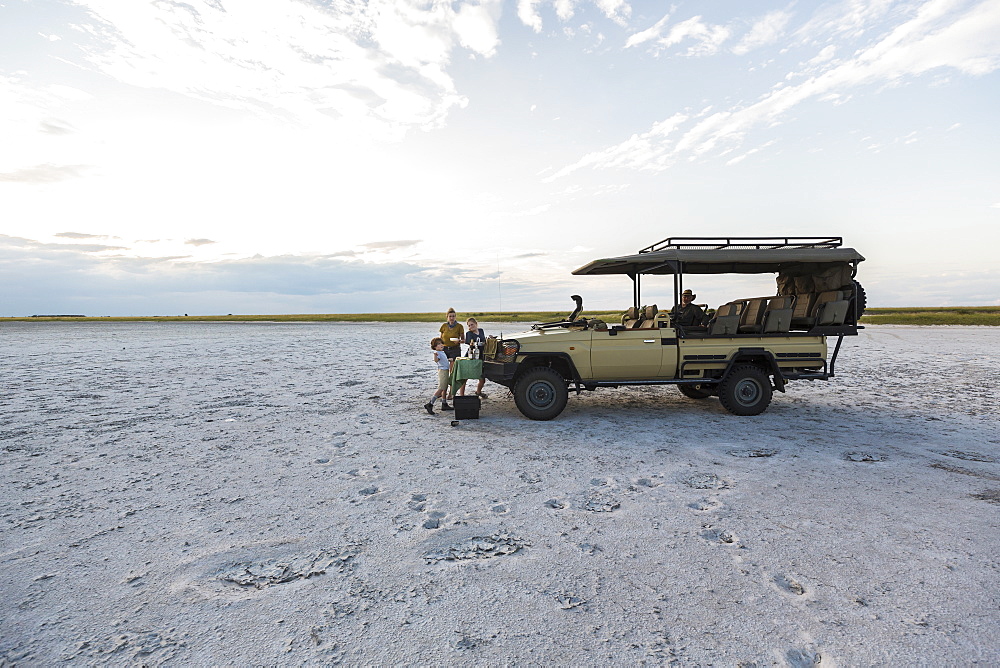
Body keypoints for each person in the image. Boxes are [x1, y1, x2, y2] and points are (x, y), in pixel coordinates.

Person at [457, 317, 488, 399]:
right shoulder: (469, 333)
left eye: (472, 325)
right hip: (471, 355)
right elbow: (469, 343)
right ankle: (461, 395)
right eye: (469, 325)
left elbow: (484, 341)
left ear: (476, 324)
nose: (471, 327)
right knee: (465, 376)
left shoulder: (481, 331)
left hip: (481, 356)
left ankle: (478, 392)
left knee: (482, 378)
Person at [438, 308, 464, 400]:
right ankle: (442, 391)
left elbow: (463, 340)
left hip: (455, 350)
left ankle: (451, 393)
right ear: (447, 317)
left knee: (452, 372)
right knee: (443, 370)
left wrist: (459, 341)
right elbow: (440, 339)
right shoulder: (444, 326)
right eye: (450, 316)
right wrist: (438, 350)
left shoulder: (459, 326)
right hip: (444, 350)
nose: (452, 318)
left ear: (455, 317)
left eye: (453, 316)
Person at [424, 338, 452, 414]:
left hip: (445, 370)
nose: (441, 345)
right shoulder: (437, 353)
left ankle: (444, 403)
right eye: (438, 344)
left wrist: (449, 360)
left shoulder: (442, 352)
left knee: (445, 387)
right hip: (442, 371)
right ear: (435, 347)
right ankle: (430, 404)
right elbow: (436, 360)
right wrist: (435, 356)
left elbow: (443, 360)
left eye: (441, 343)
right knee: (441, 388)